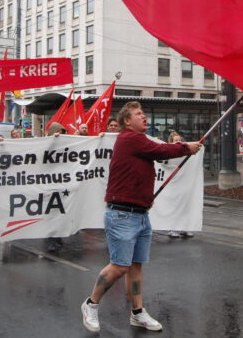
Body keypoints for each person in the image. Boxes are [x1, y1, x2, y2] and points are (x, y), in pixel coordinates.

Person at [80, 101, 201, 333]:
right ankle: (91, 304)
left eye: (144, 113)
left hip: (140, 215)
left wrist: (145, 199)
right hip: (122, 215)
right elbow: (161, 151)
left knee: (135, 267)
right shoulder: (129, 138)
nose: (144, 117)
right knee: (120, 266)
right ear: (127, 121)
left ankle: (138, 313)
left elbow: (144, 166)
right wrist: (187, 147)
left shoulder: (137, 141)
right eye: (138, 114)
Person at [166, 132, 194, 240]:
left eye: (179, 140)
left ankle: (185, 227)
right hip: (173, 184)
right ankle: (172, 228)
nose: (178, 142)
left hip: (184, 182)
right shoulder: (168, 152)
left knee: (184, 205)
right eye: (175, 140)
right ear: (171, 142)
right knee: (174, 205)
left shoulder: (185, 152)